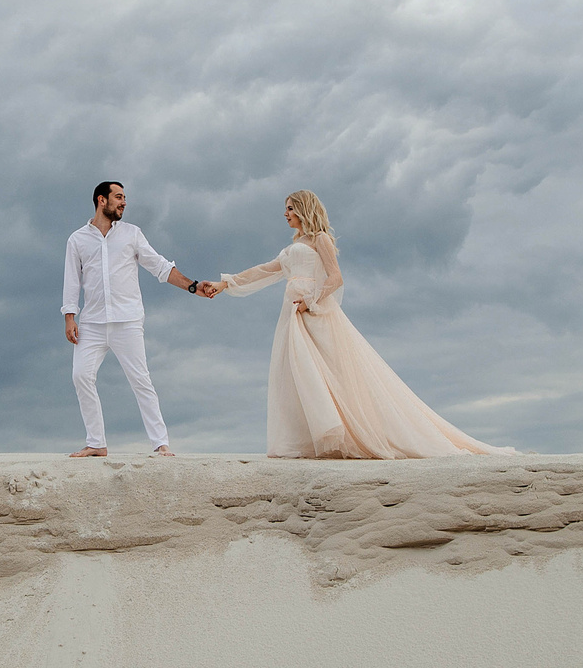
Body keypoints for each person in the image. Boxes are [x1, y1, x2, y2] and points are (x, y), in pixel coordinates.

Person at [205, 189, 514, 460]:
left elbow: (336, 277)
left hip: (314, 313)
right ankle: (309, 440)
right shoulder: (293, 246)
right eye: (285, 209)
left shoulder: (320, 239)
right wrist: (225, 284)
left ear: (303, 209)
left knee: (332, 373)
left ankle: (352, 434)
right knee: (297, 373)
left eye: (290, 208)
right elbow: (264, 270)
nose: (285, 214)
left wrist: (311, 301)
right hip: (292, 314)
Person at [63, 180, 213, 457]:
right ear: (101, 200)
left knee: (140, 380)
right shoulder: (77, 239)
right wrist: (69, 317)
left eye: (124, 197)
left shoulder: (132, 234)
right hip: (92, 323)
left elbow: (160, 266)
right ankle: (96, 442)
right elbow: (72, 281)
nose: (124, 202)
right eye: (118, 197)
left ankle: (160, 443)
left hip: (127, 320)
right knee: (81, 375)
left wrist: (193, 286)